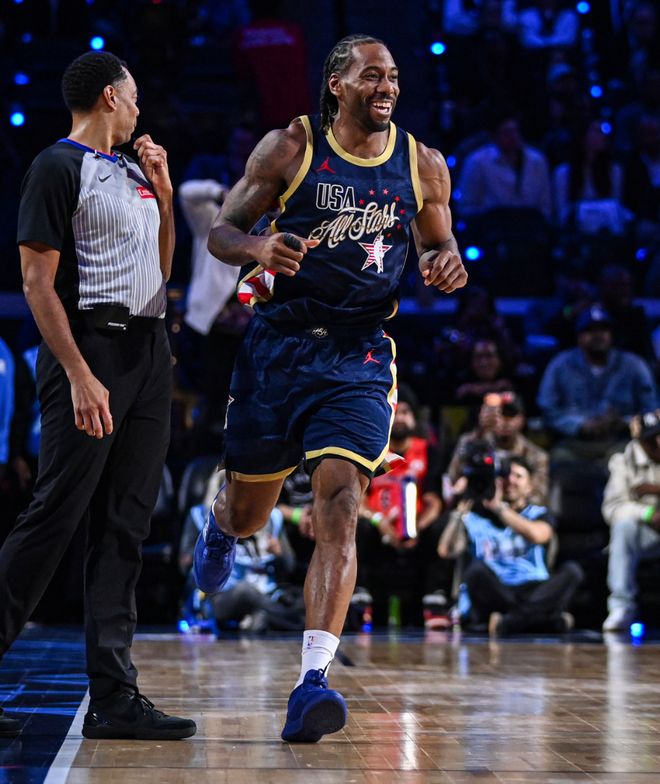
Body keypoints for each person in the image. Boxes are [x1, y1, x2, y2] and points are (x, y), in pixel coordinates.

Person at [194, 33, 467, 743]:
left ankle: (312, 682)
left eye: (394, 76)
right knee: (251, 513)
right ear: (337, 84)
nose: (388, 87)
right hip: (279, 349)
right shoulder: (291, 148)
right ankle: (221, 522)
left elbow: (439, 242)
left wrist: (446, 261)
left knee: (341, 502)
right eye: (372, 76)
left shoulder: (422, 163)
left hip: (359, 355)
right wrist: (258, 247)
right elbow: (222, 232)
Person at [0, 51, 195, 740]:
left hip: (149, 352)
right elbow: (36, 285)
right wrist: (80, 373)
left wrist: (165, 198)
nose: (140, 109)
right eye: (134, 96)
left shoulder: (135, 172)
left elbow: (161, 271)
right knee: (54, 517)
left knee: (125, 527)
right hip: (91, 350)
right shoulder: (57, 166)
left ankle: (114, 698)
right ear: (110, 97)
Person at [445, 456, 583, 636]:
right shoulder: (476, 515)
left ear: (530, 486)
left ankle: (510, 622)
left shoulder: (538, 513)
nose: (511, 480)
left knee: (572, 571)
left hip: (533, 588)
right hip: (496, 589)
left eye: (518, 476)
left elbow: (538, 535)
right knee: (475, 571)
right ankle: (546, 620)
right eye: (506, 476)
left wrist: (500, 509)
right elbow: (446, 551)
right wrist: (458, 510)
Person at [537, 304, 658, 463]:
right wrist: (580, 425)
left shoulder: (634, 365)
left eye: (603, 330)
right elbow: (547, 409)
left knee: (630, 458)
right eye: (590, 330)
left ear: (612, 335)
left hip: (620, 440)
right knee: (559, 458)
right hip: (575, 442)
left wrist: (624, 422)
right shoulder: (560, 365)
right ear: (579, 336)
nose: (598, 335)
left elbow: (652, 410)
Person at [601, 410, 660, 631]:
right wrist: (648, 513)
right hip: (647, 535)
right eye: (652, 438)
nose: (658, 443)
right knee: (624, 527)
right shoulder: (623, 461)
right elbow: (612, 509)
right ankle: (621, 606)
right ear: (641, 440)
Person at [448, 391, 549, 505]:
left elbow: (538, 499)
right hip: (475, 507)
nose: (503, 420)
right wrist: (480, 434)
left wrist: (504, 500)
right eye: (498, 414)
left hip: (515, 512)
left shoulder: (537, 456)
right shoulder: (471, 441)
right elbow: (453, 479)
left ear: (521, 420)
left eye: (510, 414)